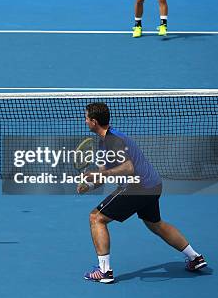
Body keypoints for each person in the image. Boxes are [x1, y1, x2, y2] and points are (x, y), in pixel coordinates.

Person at [77, 102, 207, 283]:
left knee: (96, 218)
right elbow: (101, 177)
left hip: (137, 188)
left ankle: (104, 271)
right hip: (153, 185)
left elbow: (128, 168)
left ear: (94, 121)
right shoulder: (104, 144)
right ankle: (195, 258)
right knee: (155, 224)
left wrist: (100, 173)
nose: (85, 122)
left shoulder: (113, 141)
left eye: (86, 118)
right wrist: (88, 186)